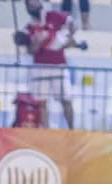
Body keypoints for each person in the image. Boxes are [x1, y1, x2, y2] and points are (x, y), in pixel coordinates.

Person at [23, 0, 76, 129]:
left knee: (66, 99)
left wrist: (67, 38)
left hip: (58, 65)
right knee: (42, 102)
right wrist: (38, 42)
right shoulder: (29, 27)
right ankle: (46, 131)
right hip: (40, 66)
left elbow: (71, 23)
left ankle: (72, 129)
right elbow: (30, 50)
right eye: (29, 4)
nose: (33, 6)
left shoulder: (53, 16)